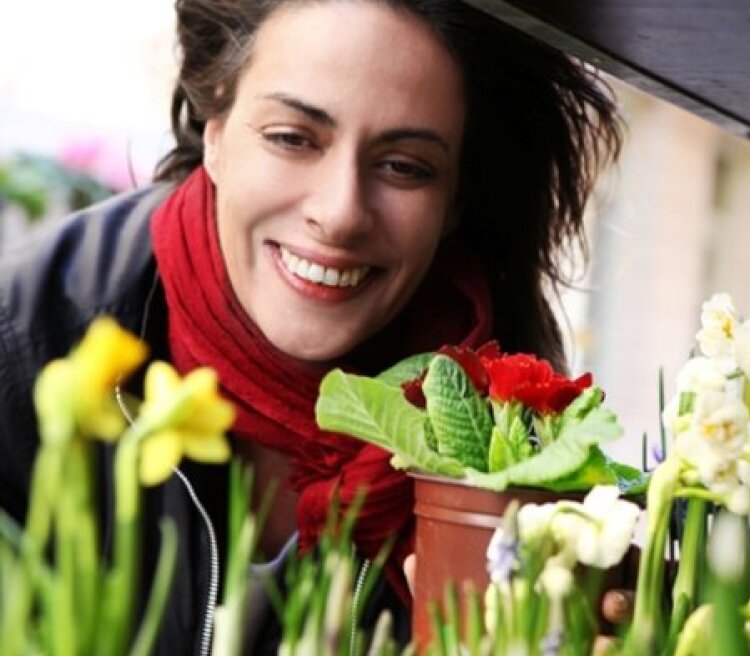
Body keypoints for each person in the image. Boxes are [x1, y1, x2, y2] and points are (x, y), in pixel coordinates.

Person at [0, 0, 622, 653]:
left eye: (405, 165)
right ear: (215, 128)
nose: (340, 212)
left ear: (454, 202)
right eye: (293, 137)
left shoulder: (512, 426)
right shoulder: (28, 339)